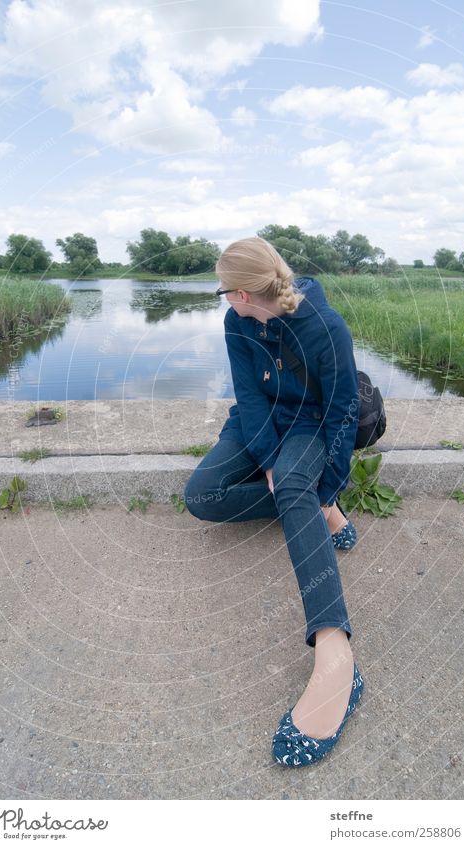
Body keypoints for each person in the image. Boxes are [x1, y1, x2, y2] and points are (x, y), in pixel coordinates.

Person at [183, 236, 364, 767]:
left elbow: (343, 409)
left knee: (295, 486)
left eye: (223, 293)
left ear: (241, 292)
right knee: (203, 496)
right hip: (256, 425)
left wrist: (325, 483)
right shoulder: (237, 323)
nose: (226, 302)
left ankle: (337, 656)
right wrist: (265, 459)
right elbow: (249, 394)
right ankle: (309, 509)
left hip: (310, 425)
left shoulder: (325, 327)